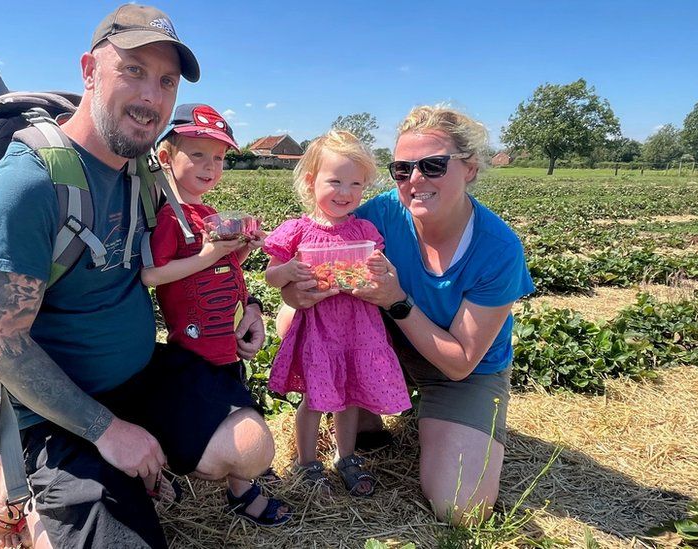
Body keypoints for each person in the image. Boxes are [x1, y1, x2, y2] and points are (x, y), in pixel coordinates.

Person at [0, 5, 275, 548]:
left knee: (252, 448)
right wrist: (105, 431)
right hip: (57, 410)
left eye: (166, 81)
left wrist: (246, 305)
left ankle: (131, 465)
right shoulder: (26, 186)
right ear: (89, 71)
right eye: (132, 70)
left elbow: (188, 248)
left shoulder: (139, 170)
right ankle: (16, 484)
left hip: (138, 378)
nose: (152, 97)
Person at [279, 105, 534, 523]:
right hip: (382, 345)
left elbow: (458, 362)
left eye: (433, 166)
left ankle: (437, 415)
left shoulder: (498, 249)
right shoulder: (378, 214)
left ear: (468, 169)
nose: (415, 180)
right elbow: (317, 246)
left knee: (461, 508)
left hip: (462, 372)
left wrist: (396, 299)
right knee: (291, 321)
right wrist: (294, 291)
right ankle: (371, 415)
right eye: (402, 169)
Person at [140, 103, 289, 526]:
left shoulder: (207, 215)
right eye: (199, 155)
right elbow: (151, 275)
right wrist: (208, 254)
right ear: (166, 158)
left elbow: (228, 268)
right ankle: (229, 483)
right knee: (218, 411)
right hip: (193, 346)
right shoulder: (171, 218)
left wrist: (243, 247)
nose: (211, 166)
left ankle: (242, 482)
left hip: (224, 338)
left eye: (219, 158)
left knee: (240, 397)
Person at [263, 130, 412, 497]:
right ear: (312, 181)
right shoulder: (297, 230)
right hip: (319, 329)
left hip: (360, 328)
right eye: (335, 181)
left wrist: (379, 269)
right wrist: (290, 272)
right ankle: (307, 462)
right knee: (315, 398)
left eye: (355, 184)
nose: (345, 192)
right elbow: (270, 273)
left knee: (350, 396)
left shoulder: (364, 229)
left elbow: (381, 265)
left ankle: (346, 457)